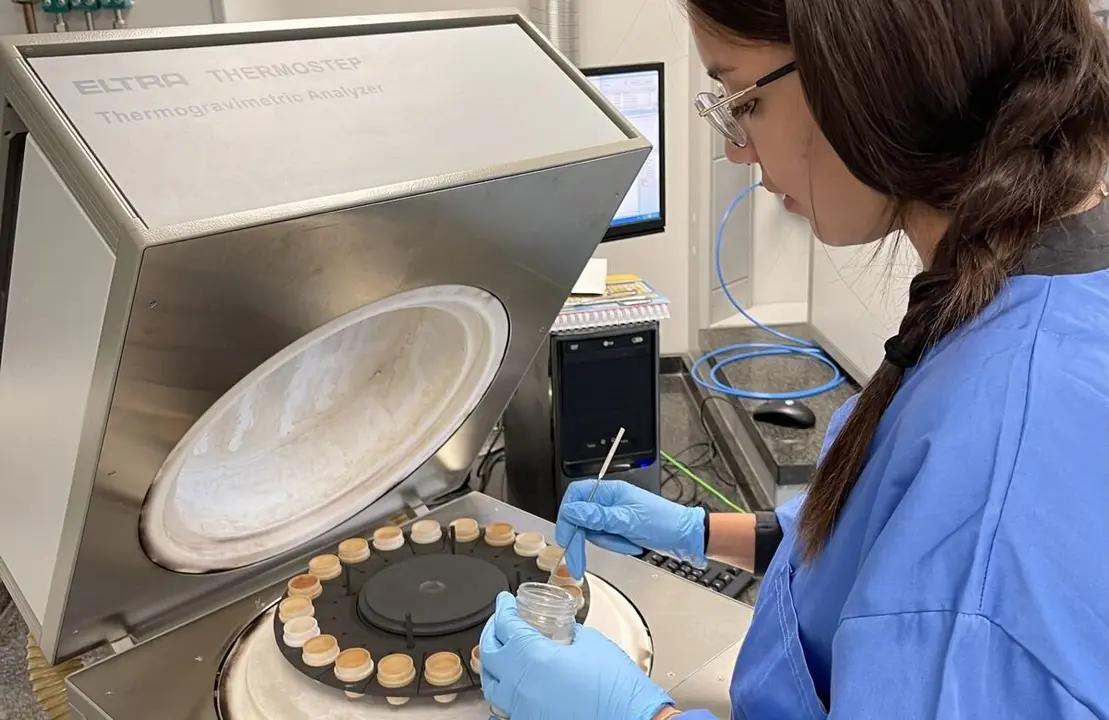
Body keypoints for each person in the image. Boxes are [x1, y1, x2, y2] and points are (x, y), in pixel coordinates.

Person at [479, 1, 1109, 718]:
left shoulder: (998, 480)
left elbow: (951, 578)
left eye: (741, 100)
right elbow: (883, 557)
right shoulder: (1027, 294)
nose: (735, 150)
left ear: (869, 70)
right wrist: (699, 533)